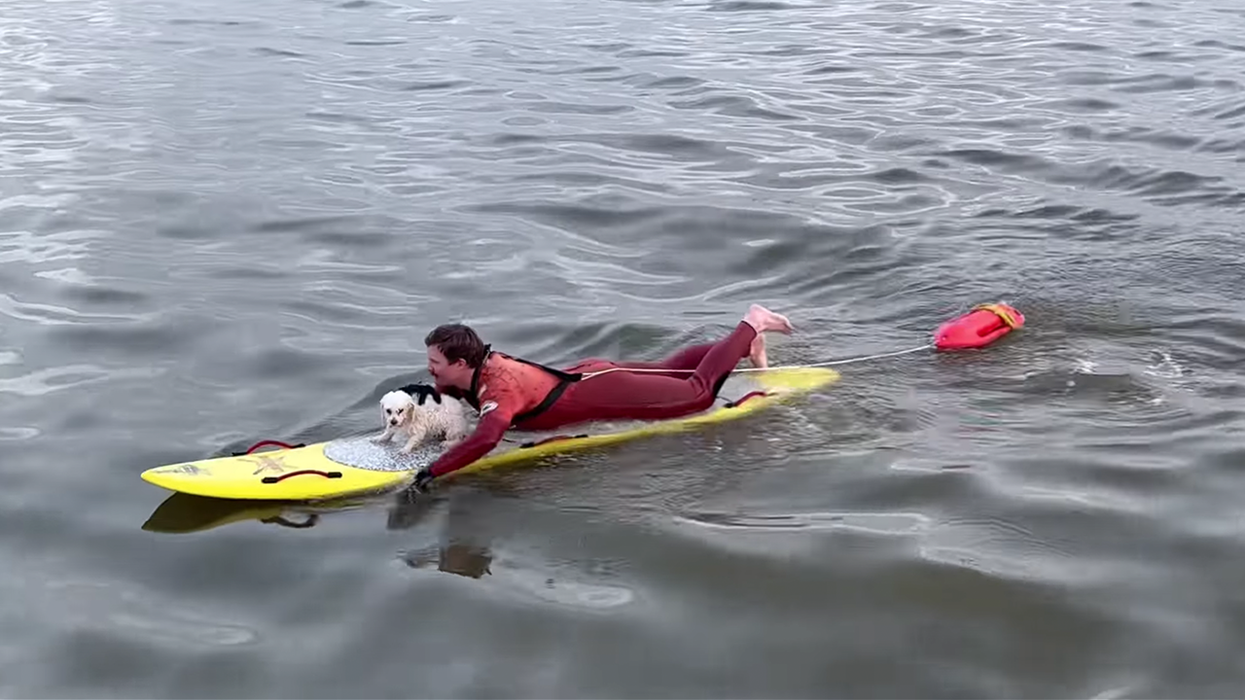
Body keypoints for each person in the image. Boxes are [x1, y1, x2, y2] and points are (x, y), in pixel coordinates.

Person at [408, 304, 794, 490]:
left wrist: (433, 472)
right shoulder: (472, 368)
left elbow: (488, 437)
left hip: (604, 389)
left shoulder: (499, 390)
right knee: (671, 369)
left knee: (697, 393)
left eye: (434, 362)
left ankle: (751, 323)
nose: (430, 368)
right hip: (589, 375)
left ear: (461, 362)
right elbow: (445, 391)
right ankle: (744, 344)